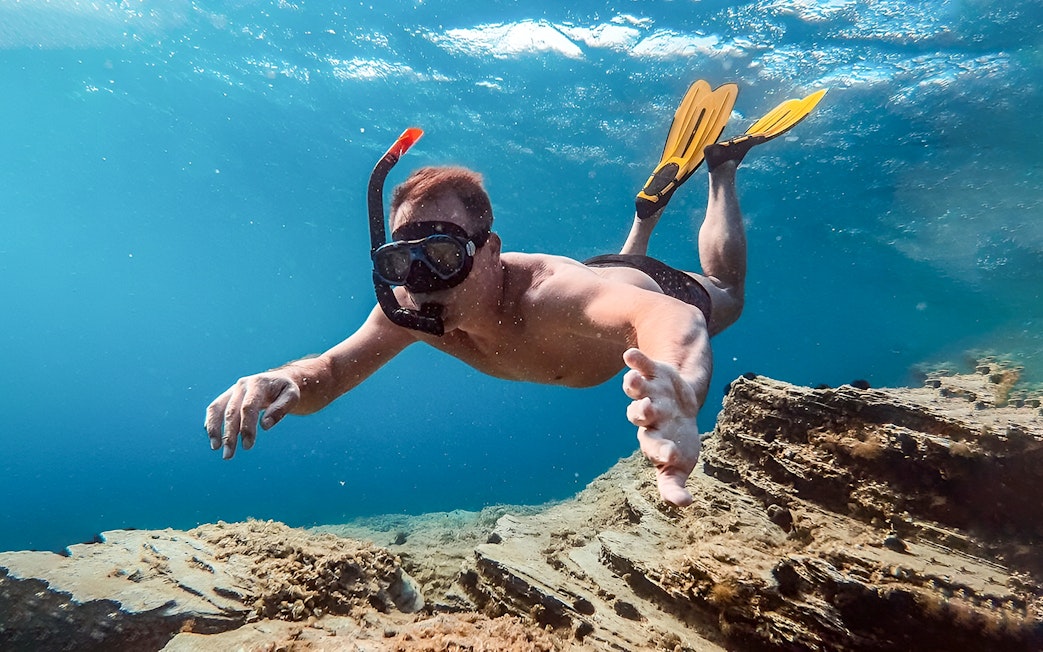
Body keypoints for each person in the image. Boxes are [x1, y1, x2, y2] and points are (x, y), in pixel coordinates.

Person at [204, 81, 826, 507]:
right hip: (604, 277)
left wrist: (680, 388)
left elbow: (669, 316)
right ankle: (646, 212)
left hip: (632, 284)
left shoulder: (549, 296)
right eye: (403, 260)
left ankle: (721, 168)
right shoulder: (413, 309)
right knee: (609, 289)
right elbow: (331, 371)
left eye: (443, 255)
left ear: (491, 251)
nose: (421, 281)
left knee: (727, 296)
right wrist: (277, 381)